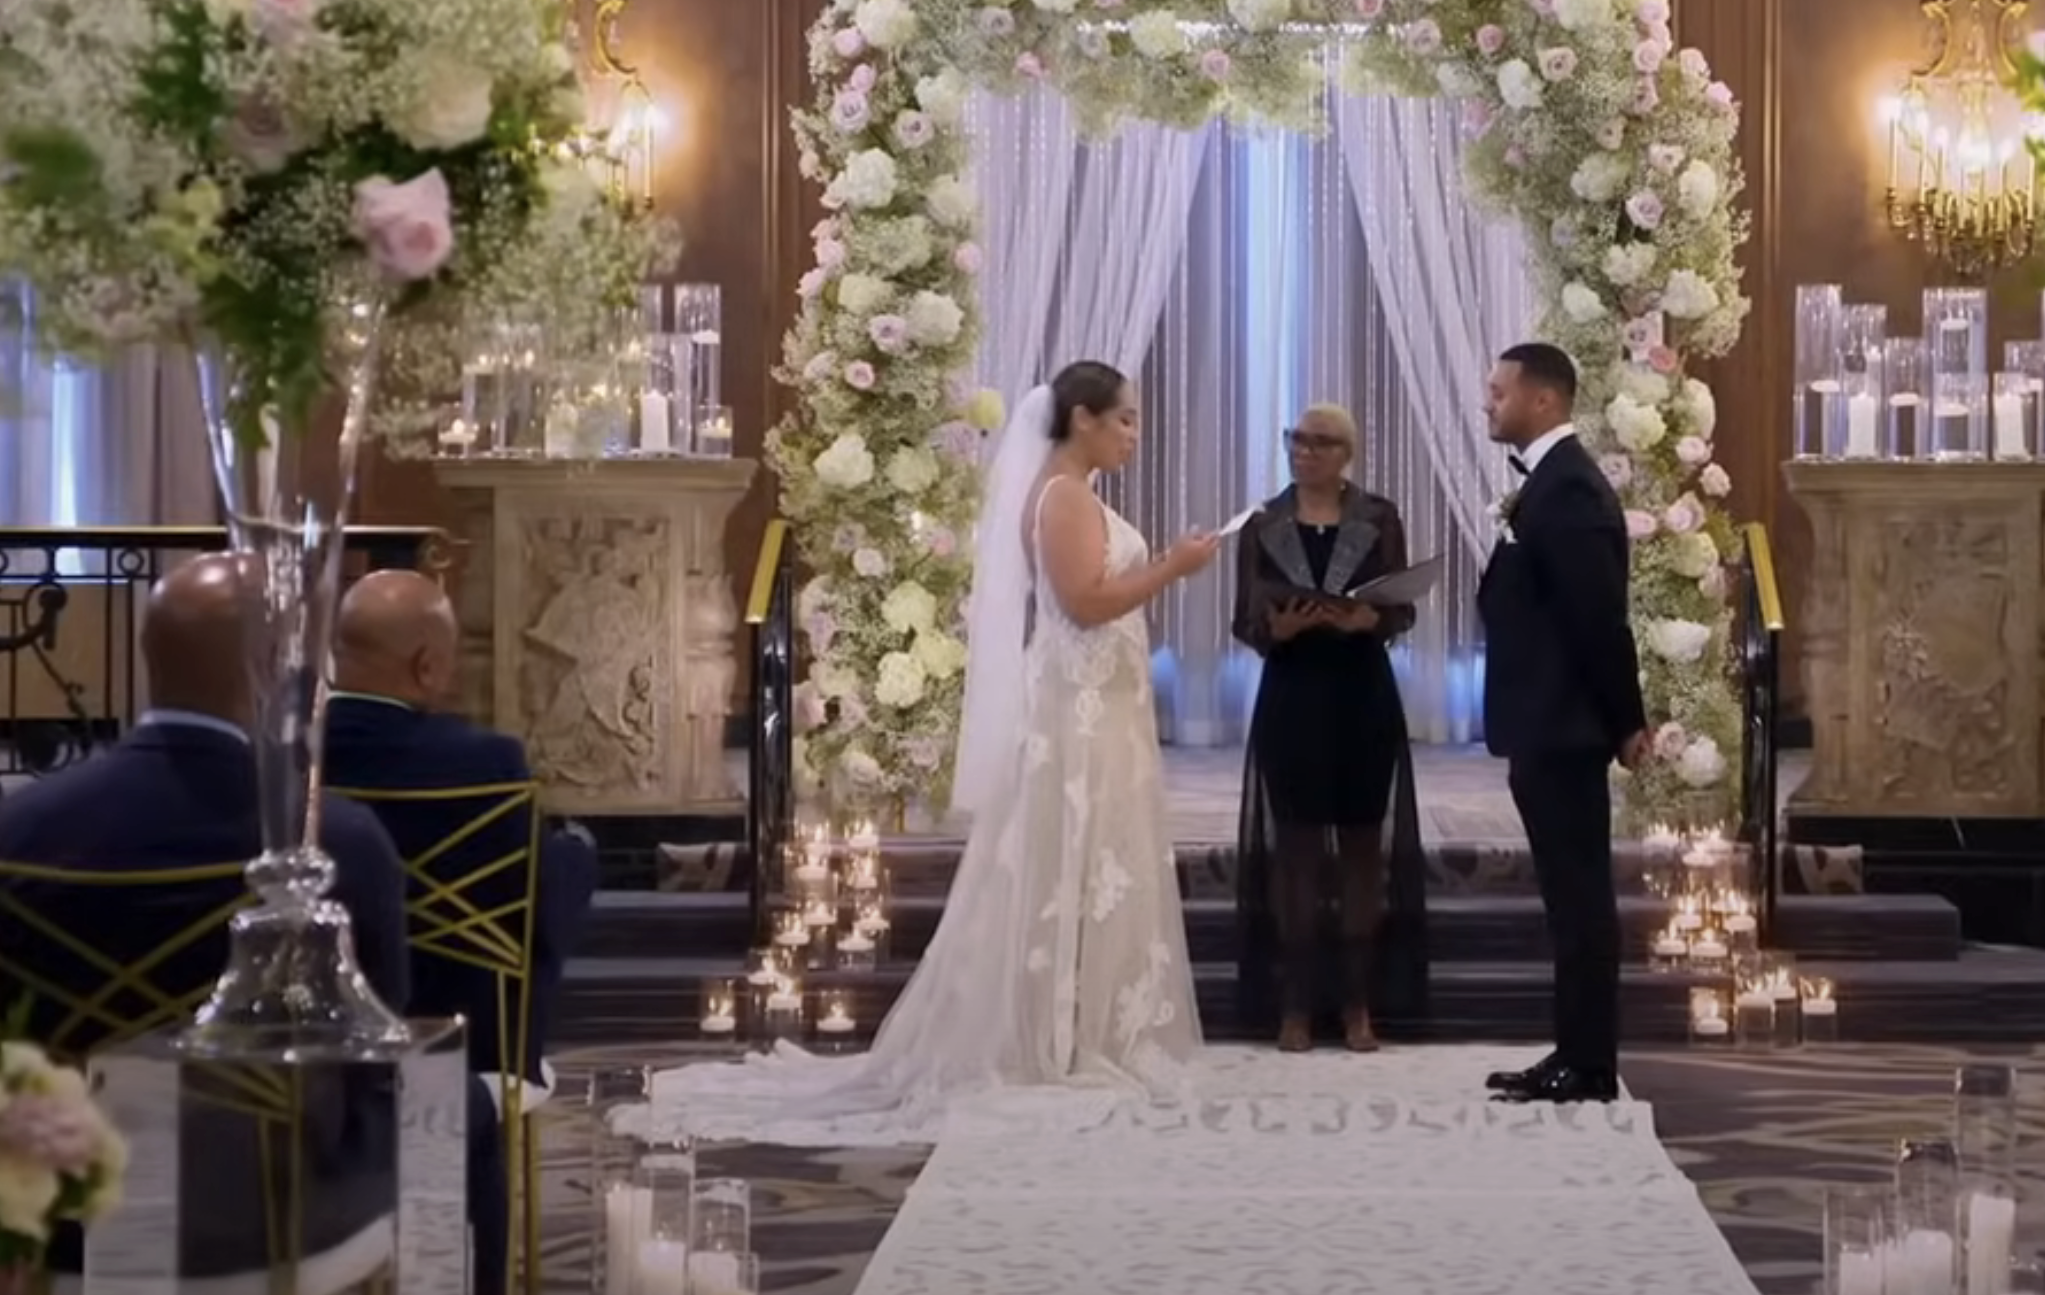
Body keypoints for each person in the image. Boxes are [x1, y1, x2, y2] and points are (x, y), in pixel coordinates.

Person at [633, 360, 1221, 1146]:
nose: (1133, 435)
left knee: (1092, 865)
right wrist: (1171, 569)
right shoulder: (1064, 498)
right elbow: (1085, 604)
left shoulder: (1069, 493)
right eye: (1125, 419)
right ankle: (1059, 1035)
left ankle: (1089, 1022)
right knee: (1073, 860)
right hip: (1079, 720)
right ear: (1081, 418)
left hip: (1098, 709)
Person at [0, 553, 508, 1293]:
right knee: (454, 1102)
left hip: (66, 1221)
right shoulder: (329, 842)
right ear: (280, 671)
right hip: (277, 1217)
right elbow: (379, 1052)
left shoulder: (18, 829)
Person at [324, 569, 601, 1082]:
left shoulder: (286, 762)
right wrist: (579, 851)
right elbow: (534, 896)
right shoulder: (483, 762)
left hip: (309, 1034)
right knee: (559, 870)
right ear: (427, 666)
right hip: (463, 1042)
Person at [1475, 343, 1647, 1106]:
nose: (1488, 402)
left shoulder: (1570, 490)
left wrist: (1627, 723)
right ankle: (1574, 1052)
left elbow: (1598, 622)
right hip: (1544, 722)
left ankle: (1590, 1063)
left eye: (1498, 391)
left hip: (1565, 726)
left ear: (1542, 401)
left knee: (1579, 900)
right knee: (1565, 898)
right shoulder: (1548, 482)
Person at [1232, 402, 1430, 1053]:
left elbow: (1400, 607)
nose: (1303, 452)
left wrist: (1368, 621)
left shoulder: (1379, 516)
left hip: (1360, 692)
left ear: (1346, 453)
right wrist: (1275, 630)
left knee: (1361, 853)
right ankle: (1293, 1005)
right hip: (1293, 690)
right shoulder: (1265, 522)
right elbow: (1245, 620)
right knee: (1295, 852)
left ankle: (1356, 1004)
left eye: (1318, 443)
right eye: (1296, 439)